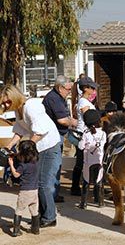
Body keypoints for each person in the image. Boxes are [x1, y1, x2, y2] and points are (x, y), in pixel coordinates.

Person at [2, 84, 61, 228]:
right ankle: (41, 215)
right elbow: (20, 130)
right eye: (3, 102)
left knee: (43, 184)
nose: (5, 104)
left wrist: (25, 149)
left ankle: (49, 217)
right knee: (37, 183)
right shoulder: (19, 110)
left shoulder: (31, 106)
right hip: (39, 148)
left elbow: (40, 131)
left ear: (15, 97)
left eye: (7, 101)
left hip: (49, 145)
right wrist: (9, 146)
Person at [42, 75, 78, 203]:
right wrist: (74, 122)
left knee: (56, 165)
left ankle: (54, 193)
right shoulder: (55, 99)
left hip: (58, 134)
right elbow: (62, 120)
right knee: (54, 166)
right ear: (59, 87)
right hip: (55, 135)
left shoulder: (58, 97)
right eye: (68, 89)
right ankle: (51, 195)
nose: (69, 92)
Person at [71, 77, 98, 196]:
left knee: (83, 161)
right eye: (91, 87)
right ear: (85, 88)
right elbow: (88, 118)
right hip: (84, 134)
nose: (93, 89)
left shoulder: (84, 101)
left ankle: (78, 186)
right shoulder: (83, 102)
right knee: (81, 162)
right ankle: (76, 187)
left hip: (86, 133)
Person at [8, 140, 40, 237]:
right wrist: (16, 155)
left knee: (19, 210)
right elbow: (23, 156)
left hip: (25, 191)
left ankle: (16, 230)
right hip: (35, 190)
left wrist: (11, 164)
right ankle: (35, 229)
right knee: (34, 211)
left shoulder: (23, 165)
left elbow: (16, 175)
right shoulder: (36, 162)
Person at [78, 109, 106, 209]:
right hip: (99, 161)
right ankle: (100, 202)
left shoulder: (86, 133)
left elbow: (80, 147)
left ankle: (83, 203)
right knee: (99, 181)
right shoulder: (103, 133)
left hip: (88, 161)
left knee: (86, 182)